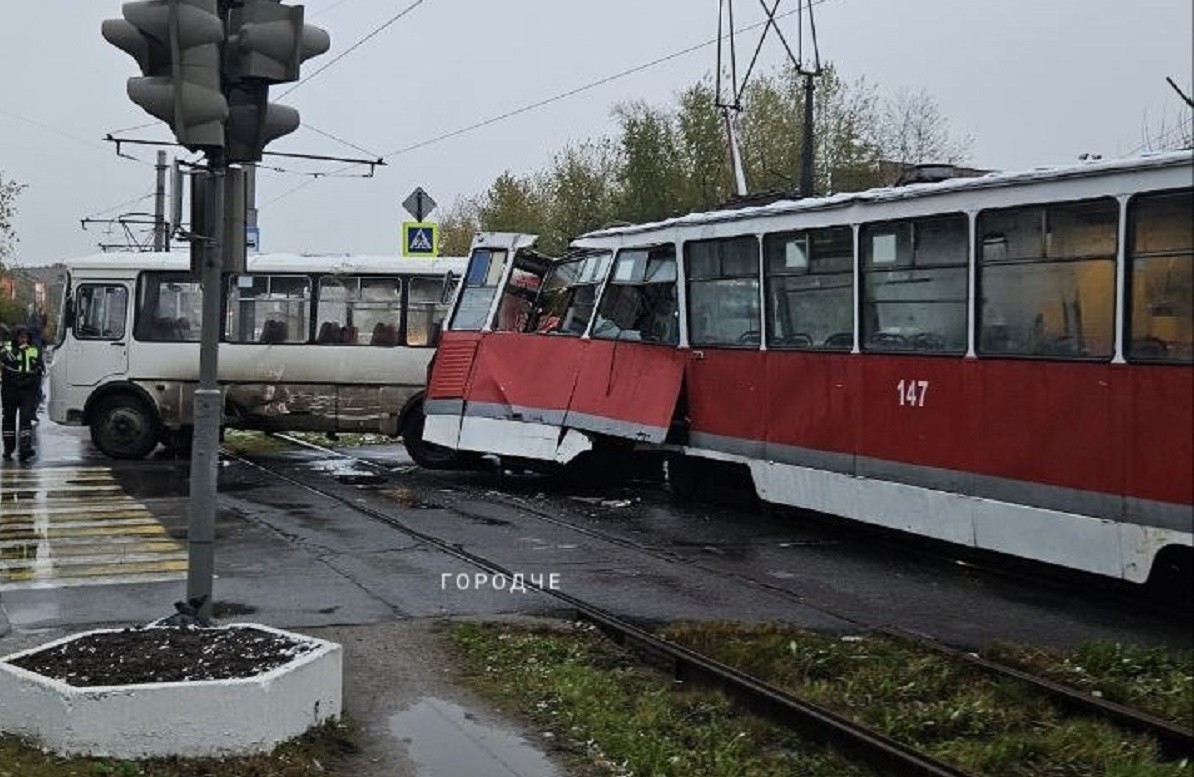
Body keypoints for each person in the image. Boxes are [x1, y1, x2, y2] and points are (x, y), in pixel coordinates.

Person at [1, 324, 45, 462]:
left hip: (28, 389)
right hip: (10, 389)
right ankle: (8, 449)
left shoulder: (34, 349)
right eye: (21, 337)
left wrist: (37, 387)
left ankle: (25, 450)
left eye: (26, 337)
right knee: (9, 419)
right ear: (15, 337)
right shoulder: (8, 348)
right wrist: (18, 349)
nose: (23, 339)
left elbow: (39, 367)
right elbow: (7, 358)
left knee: (26, 419)